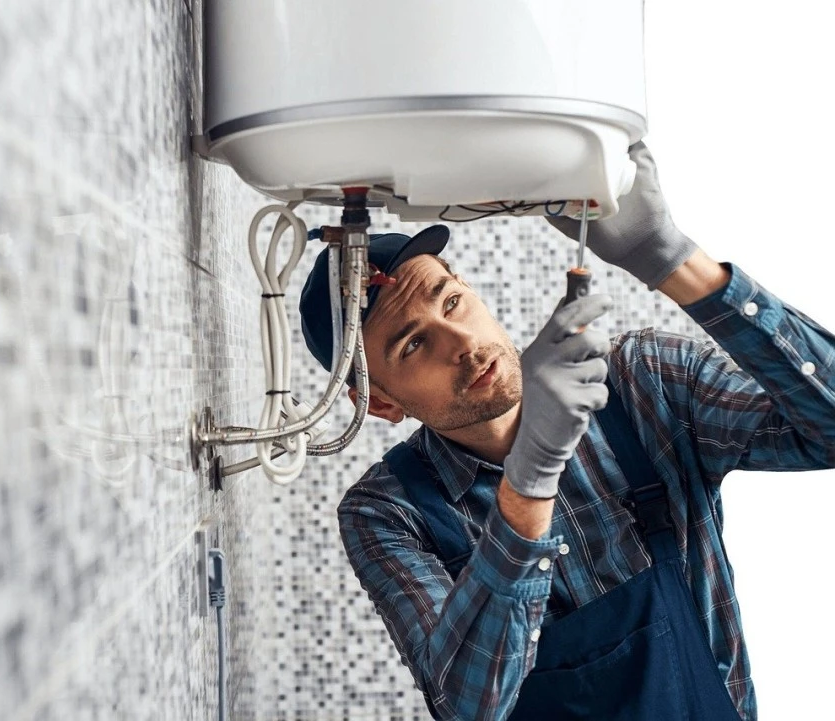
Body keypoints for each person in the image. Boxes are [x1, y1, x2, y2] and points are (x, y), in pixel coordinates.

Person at [296, 142, 835, 721]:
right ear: (380, 401)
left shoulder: (641, 383)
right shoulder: (387, 513)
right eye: (413, 343)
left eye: (451, 301)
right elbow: (469, 704)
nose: (461, 344)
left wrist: (671, 260)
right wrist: (530, 480)